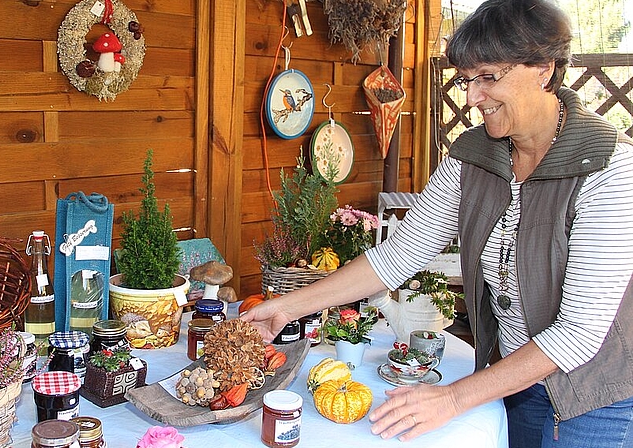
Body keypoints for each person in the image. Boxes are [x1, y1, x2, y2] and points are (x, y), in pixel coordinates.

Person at [241, 0, 633, 446]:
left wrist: (451, 399)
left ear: (544, 68)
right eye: (466, 80)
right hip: (517, 382)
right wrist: (291, 306)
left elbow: (579, 333)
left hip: (597, 394)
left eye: (489, 77)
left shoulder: (609, 168)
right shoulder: (473, 157)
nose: (471, 98)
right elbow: (396, 257)